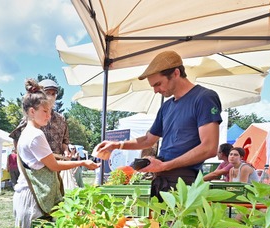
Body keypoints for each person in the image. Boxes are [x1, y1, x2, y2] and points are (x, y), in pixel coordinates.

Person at [94, 51, 222, 200]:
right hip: (161, 179)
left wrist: (165, 166)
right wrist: (117, 144)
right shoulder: (167, 106)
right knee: (158, 224)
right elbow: (148, 140)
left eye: (158, 84)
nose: (155, 91)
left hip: (185, 181)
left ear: (175, 73)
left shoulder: (204, 98)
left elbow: (209, 148)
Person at [13, 79, 99, 228]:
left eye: (50, 111)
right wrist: (82, 163)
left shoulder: (27, 132)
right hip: (33, 199)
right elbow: (53, 166)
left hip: (28, 196)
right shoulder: (36, 134)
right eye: (45, 111)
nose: (49, 115)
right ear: (32, 112)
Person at [10, 78, 71, 159]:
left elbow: (64, 141)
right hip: (36, 166)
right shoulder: (31, 117)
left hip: (56, 165)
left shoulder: (61, 119)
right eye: (48, 93)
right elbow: (17, 138)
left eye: (53, 94)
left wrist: (66, 151)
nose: (51, 97)